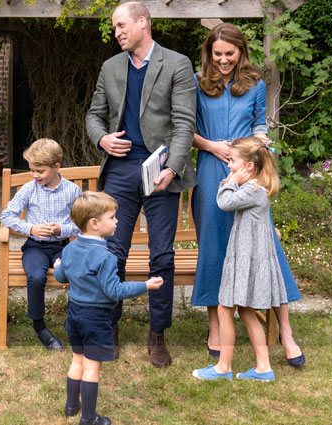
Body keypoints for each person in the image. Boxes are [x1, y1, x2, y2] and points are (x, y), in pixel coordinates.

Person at [85, 1, 196, 368]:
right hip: (119, 172)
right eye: (114, 27)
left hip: (161, 173)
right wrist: (102, 139)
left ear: (143, 23)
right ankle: (110, 327)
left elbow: (184, 124)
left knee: (161, 255)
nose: (116, 32)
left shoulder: (177, 64)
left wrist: (174, 167)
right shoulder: (110, 67)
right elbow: (93, 115)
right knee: (112, 254)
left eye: (121, 25)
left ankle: (157, 333)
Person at [190, 22, 305, 368]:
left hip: (249, 172)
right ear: (209, 53)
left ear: (241, 52)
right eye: (218, 54)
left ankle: (285, 331)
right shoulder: (197, 83)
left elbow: (259, 122)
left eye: (230, 54)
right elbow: (186, 128)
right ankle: (215, 326)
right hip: (212, 170)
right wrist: (212, 146)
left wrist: (259, 140)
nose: (224, 60)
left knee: (265, 244)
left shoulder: (254, 84)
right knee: (214, 244)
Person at [54, 191, 164, 425]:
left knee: (77, 360)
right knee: (92, 367)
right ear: (94, 224)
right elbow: (115, 291)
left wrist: (57, 264)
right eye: (112, 217)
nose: (117, 221)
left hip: (74, 314)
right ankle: (89, 418)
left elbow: (61, 276)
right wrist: (145, 285)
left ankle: (71, 406)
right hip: (96, 318)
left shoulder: (70, 249)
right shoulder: (105, 257)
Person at [193, 136, 286, 382]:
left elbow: (224, 202)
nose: (229, 166)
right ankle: (263, 368)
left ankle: (223, 367)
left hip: (246, 260)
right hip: (246, 256)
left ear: (250, 167)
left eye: (233, 161)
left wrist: (231, 181)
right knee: (246, 311)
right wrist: (233, 179)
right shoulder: (256, 188)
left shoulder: (252, 190)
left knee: (225, 309)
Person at [0, 138, 82, 351]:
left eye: (40, 171)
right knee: (36, 276)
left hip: (63, 246)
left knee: (74, 273)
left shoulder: (72, 191)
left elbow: (81, 223)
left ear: (56, 167)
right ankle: (39, 326)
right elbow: (7, 216)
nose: (35, 175)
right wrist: (30, 229)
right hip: (35, 246)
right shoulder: (29, 189)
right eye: (32, 170)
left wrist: (60, 229)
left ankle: (72, 322)